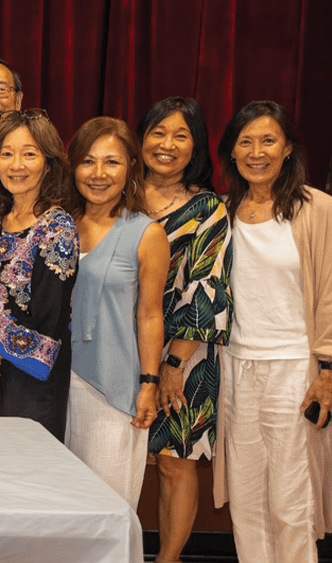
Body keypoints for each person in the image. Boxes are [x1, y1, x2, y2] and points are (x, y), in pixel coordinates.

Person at [215, 101, 332, 562]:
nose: (256, 152)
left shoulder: (316, 209)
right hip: (237, 368)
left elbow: (330, 290)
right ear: (232, 152)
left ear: (287, 150)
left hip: (294, 371)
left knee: (290, 497)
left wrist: (327, 368)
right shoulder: (223, 212)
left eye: (268, 141)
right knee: (247, 500)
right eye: (246, 141)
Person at [137, 97, 231, 563]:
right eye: (158, 132)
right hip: (119, 347)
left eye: (180, 135)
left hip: (184, 354)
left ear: (196, 147)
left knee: (175, 463)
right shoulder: (115, 192)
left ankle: (168, 559)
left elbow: (207, 291)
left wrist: (173, 364)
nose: (167, 144)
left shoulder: (208, 209)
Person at [63, 117, 169, 507]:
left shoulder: (146, 233)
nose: (99, 173)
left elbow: (151, 315)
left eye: (112, 162)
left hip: (112, 390)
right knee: (62, 508)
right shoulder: (59, 225)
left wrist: (149, 383)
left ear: (131, 169)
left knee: (106, 507)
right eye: (88, 161)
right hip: (54, 385)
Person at [0, 109, 78, 441]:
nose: (16, 165)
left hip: (28, 388)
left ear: (48, 162)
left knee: (19, 483)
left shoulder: (57, 228)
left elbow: (48, 322)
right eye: (6, 154)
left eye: (29, 154)